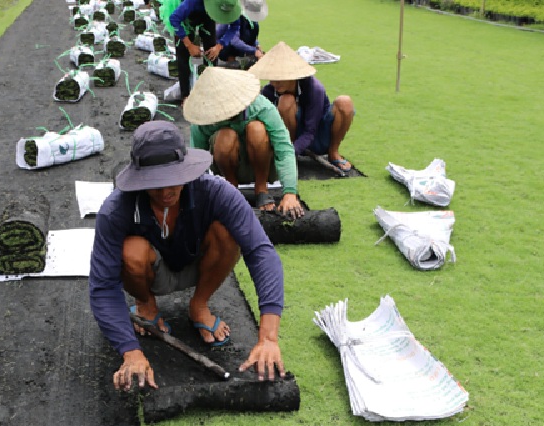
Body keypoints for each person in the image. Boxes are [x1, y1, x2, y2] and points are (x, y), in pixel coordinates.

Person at [89, 121, 287, 391]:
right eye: (156, 183)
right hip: (148, 270)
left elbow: (260, 251)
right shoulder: (116, 210)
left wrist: (268, 337)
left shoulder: (216, 191)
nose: (166, 191)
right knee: (130, 251)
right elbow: (103, 286)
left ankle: (199, 305)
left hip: (199, 263)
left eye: (173, 179)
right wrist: (130, 351)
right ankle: (146, 304)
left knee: (228, 232)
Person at [183, 66, 305, 217]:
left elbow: (284, 148)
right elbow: (197, 161)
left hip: (262, 163)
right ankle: (231, 189)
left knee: (256, 129)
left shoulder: (260, 106)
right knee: (225, 136)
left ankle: (261, 189)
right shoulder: (203, 119)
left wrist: (290, 193)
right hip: (225, 164)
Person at [249, 41, 356, 173]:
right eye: (272, 78)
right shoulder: (271, 89)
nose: (275, 83)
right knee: (285, 101)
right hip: (291, 137)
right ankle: (290, 151)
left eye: (280, 78)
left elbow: (310, 131)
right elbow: (257, 112)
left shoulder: (315, 89)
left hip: (318, 133)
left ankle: (333, 152)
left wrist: (290, 153)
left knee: (345, 102)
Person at [162, 0, 242, 102]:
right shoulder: (191, 3)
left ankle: (210, 90)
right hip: (186, 17)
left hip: (207, 16)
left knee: (211, 52)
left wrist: (219, 46)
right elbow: (174, 19)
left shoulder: (231, 4)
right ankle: (185, 95)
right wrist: (189, 45)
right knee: (183, 55)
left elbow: (235, 26)